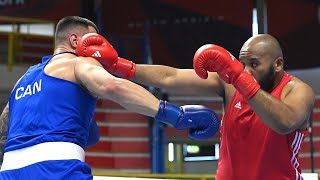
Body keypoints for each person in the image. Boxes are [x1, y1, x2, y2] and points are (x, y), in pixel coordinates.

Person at [0, 16, 221, 180]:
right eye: (94, 41)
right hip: (58, 169)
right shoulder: (79, 62)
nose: (98, 49)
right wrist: (176, 115)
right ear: (75, 40)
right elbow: (110, 85)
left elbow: (4, 132)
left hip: (9, 171)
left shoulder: (22, 80)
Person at [93, 34, 315, 180]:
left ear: (278, 64)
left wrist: (239, 78)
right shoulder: (230, 84)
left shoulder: (297, 91)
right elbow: (172, 76)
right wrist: (120, 66)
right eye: (242, 63)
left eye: (254, 64)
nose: (246, 71)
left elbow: (285, 122)